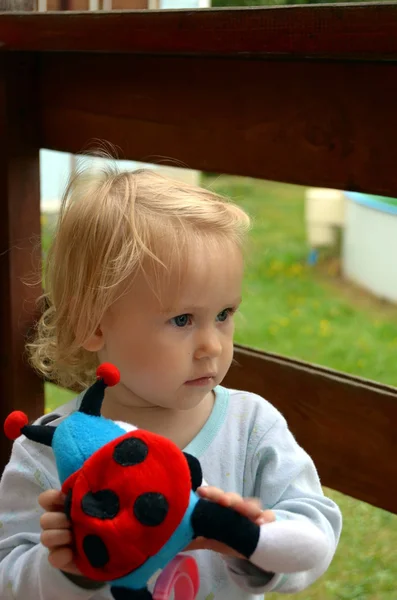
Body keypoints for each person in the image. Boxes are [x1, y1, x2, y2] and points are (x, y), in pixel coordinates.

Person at [0, 162, 342, 600]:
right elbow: (10, 577)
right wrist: (72, 570)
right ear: (93, 324)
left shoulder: (251, 426)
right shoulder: (46, 453)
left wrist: (249, 541)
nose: (212, 346)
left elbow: (316, 530)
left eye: (224, 315)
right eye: (182, 319)